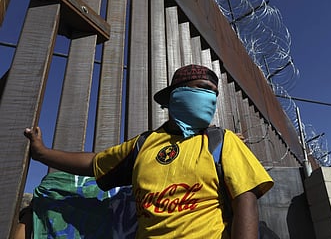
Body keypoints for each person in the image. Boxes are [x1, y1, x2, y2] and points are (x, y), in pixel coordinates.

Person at [24, 64, 274, 239]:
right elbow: (95, 163)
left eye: (213, 93)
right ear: (176, 95)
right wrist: (42, 154)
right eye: (202, 88)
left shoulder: (223, 140)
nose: (209, 97)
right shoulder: (144, 144)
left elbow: (245, 201)